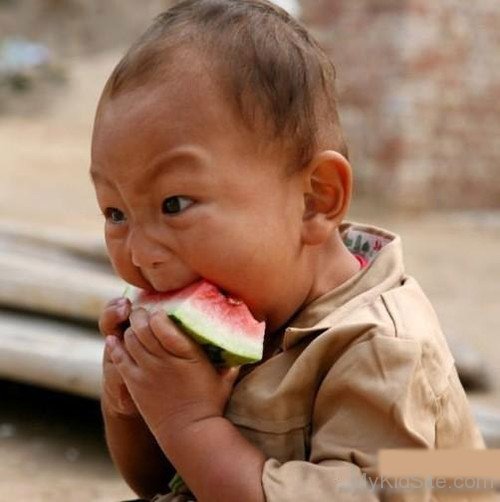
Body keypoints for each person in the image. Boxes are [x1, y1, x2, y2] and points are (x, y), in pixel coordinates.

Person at [90, 1, 486, 500]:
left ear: (315, 199)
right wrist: (132, 404)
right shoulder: (256, 296)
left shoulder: (382, 350)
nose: (141, 254)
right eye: (115, 214)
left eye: (174, 204)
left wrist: (189, 420)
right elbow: (154, 482)